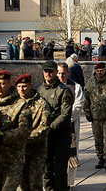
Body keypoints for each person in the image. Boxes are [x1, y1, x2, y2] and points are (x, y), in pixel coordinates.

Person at [0, 70, 32, 191]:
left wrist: (1, 136)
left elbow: (24, 131)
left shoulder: (21, 105)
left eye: (3, 83)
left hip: (13, 159)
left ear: (10, 84)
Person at [37, 61, 73, 191]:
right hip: (44, 138)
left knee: (59, 170)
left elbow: (65, 115)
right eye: (46, 71)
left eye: (51, 71)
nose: (48, 74)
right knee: (46, 169)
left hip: (60, 136)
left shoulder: (64, 90)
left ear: (55, 73)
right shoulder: (38, 90)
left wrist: (49, 128)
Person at [17, 74, 50, 191]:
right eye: (19, 86)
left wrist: (24, 138)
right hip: (20, 151)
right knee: (24, 183)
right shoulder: (15, 104)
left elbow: (44, 127)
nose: (21, 89)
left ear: (31, 86)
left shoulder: (41, 103)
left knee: (35, 183)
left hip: (37, 150)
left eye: (24, 86)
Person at [57, 63, 85, 187]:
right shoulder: (52, 87)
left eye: (63, 73)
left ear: (68, 73)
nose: (61, 76)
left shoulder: (76, 87)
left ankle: (68, 183)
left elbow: (78, 105)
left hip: (70, 125)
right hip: (54, 127)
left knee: (71, 155)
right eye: (59, 73)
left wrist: (65, 117)